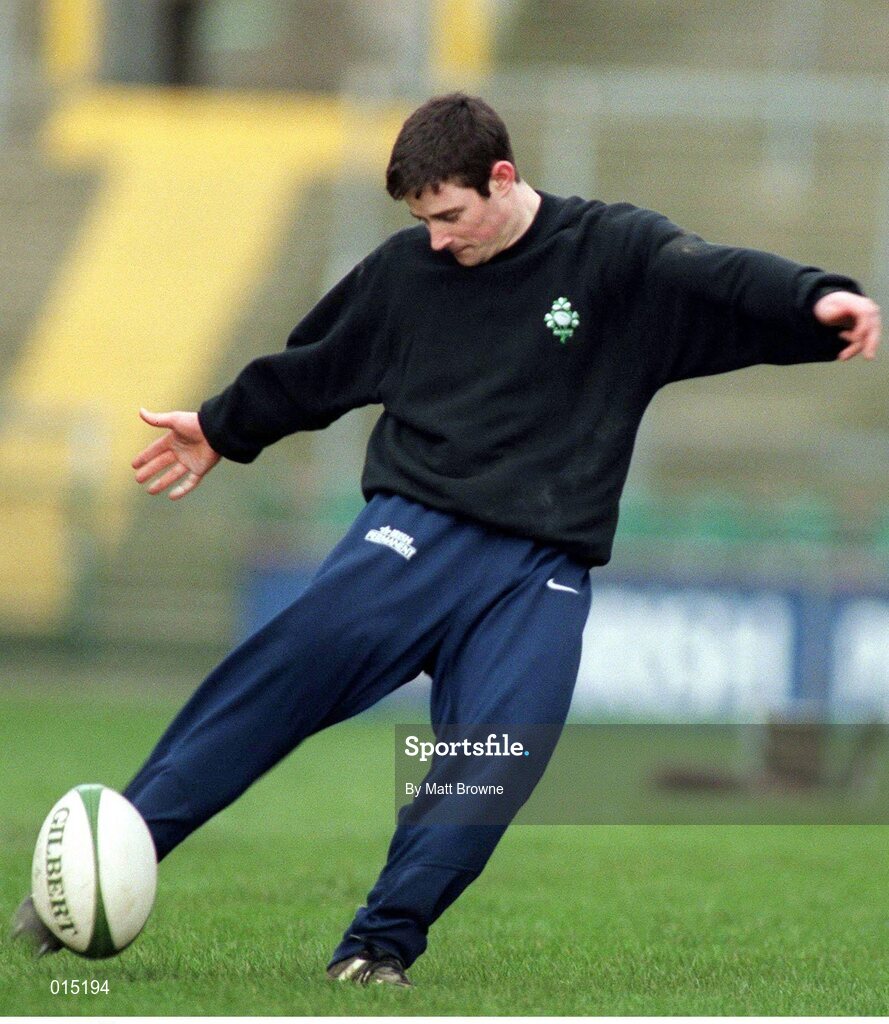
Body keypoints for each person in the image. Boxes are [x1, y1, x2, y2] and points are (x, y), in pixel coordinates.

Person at [13, 93, 881, 985]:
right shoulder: (405, 272)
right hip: (411, 535)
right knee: (277, 681)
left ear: (501, 179)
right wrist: (225, 428)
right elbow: (315, 369)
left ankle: (376, 949)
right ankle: (93, 868)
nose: (437, 237)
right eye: (422, 219)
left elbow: (716, 276)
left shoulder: (612, 256)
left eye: (450, 215)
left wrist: (819, 299)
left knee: (494, 764)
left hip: (540, 570)